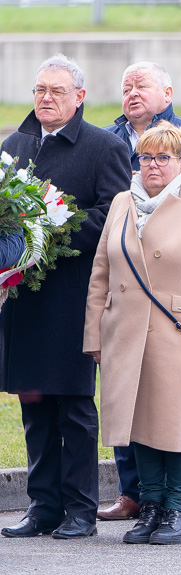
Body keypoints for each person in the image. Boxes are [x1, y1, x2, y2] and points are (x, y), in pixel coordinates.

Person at [82, 121, 181, 545]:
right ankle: (149, 507)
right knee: (138, 423)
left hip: (179, 335)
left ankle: (176, 510)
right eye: (145, 157)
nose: (152, 166)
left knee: (176, 424)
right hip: (125, 333)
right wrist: (94, 336)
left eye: (162, 158)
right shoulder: (120, 203)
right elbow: (101, 273)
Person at [0, 53, 132, 539]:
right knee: (33, 405)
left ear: (79, 97)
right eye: (39, 90)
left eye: (56, 91)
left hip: (76, 296)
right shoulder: (13, 146)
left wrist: (50, 232)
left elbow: (112, 217)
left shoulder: (104, 147)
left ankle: (80, 509)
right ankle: (43, 507)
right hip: (24, 300)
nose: (45, 99)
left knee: (74, 408)